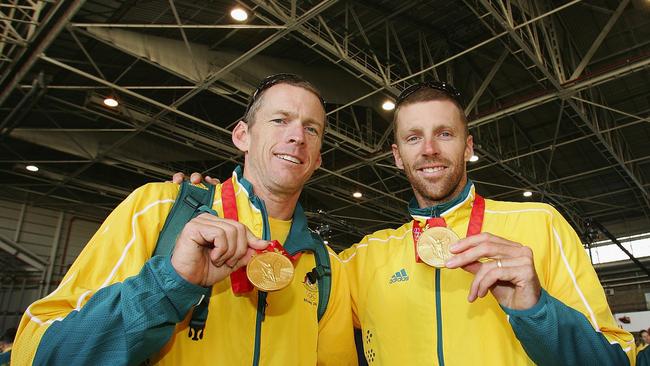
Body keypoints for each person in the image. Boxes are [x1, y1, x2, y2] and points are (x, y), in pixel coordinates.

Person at [176, 81, 635, 365]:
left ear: (468, 146)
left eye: (445, 134)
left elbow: (616, 361)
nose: (430, 149)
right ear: (397, 156)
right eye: (414, 138)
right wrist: (212, 198)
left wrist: (537, 311)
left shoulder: (540, 226)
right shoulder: (358, 260)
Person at [12, 74, 357, 365]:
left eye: (311, 129)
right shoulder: (159, 210)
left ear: (318, 160)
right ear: (242, 136)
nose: (297, 136)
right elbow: (35, 352)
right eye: (280, 120)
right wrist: (170, 284)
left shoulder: (326, 266)